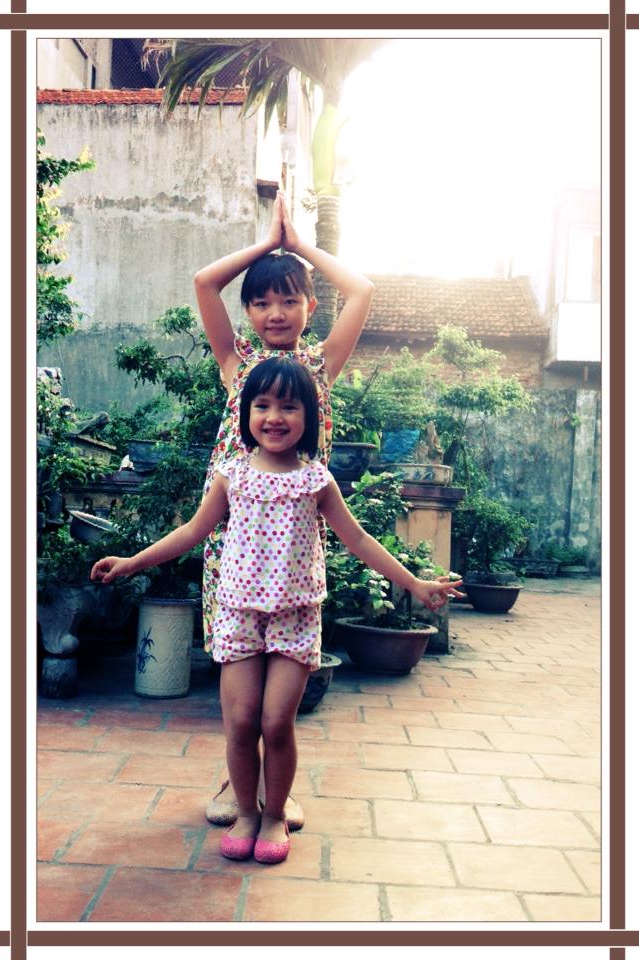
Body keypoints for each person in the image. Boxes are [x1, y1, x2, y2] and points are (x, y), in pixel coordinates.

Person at [91, 358, 464, 865]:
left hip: (295, 619)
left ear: (308, 417)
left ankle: (273, 816)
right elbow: (191, 533)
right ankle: (246, 811)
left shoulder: (317, 481)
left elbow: (356, 539)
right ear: (246, 414)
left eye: (289, 406)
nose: (274, 416)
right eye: (263, 405)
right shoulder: (231, 476)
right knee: (241, 723)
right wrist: (133, 562)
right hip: (238, 615)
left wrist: (415, 583)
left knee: (276, 723)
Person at [193, 190, 374, 828]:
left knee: (280, 702)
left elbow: (363, 290)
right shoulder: (235, 363)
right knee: (241, 698)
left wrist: (299, 247)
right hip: (231, 545)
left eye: (289, 298)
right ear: (248, 310)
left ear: (308, 307)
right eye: (263, 300)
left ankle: (281, 791)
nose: (275, 312)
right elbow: (204, 282)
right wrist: (268, 246)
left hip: (295, 546)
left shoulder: (319, 366)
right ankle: (236, 786)